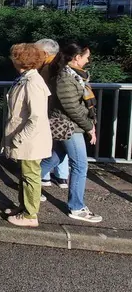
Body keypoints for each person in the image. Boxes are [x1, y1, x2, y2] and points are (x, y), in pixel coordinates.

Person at [40, 43, 102, 223]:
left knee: (54, 158)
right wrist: (89, 126)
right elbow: (72, 108)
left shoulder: (70, 75)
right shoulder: (66, 78)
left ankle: (29, 185)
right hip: (69, 127)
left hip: (68, 125)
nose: (88, 60)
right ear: (76, 57)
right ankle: (76, 207)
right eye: (86, 56)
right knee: (80, 165)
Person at [3, 44, 51, 228]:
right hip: (27, 138)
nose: (11, 59)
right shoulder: (27, 78)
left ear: (20, 60)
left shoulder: (32, 83)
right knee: (25, 174)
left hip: (30, 140)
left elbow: (36, 117)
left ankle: (30, 214)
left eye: (14, 56)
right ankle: (24, 208)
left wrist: (19, 137)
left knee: (30, 176)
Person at [35, 38, 68, 189]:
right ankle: (61, 176)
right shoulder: (62, 65)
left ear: (45, 53)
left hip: (51, 112)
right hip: (62, 113)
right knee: (61, 144)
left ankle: (44, 176)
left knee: (51, 144)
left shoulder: (47, 68)